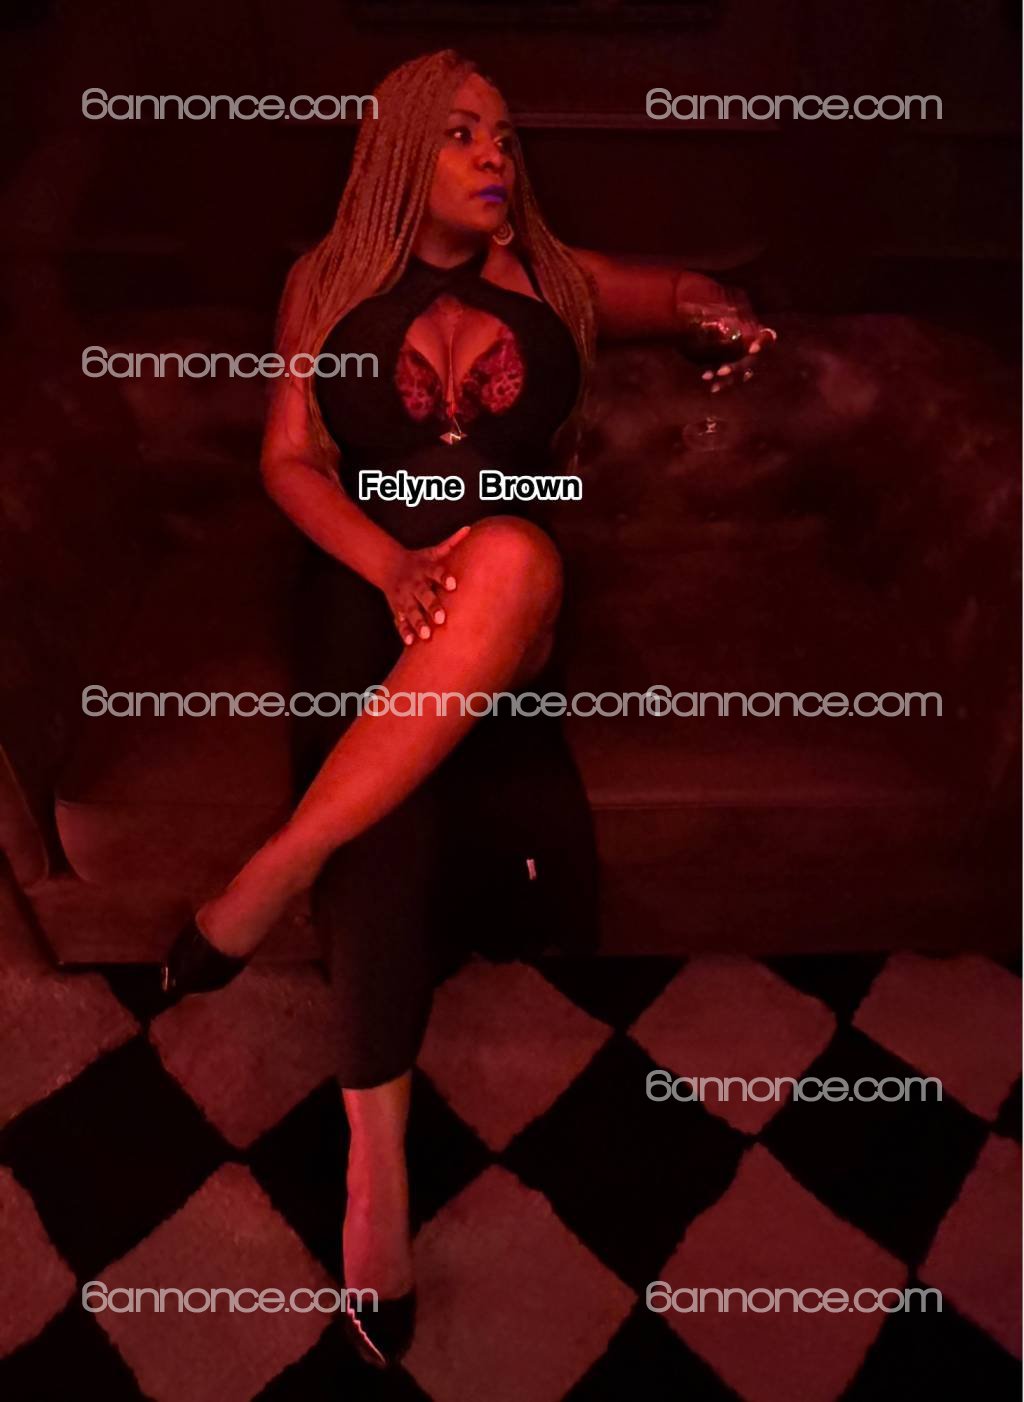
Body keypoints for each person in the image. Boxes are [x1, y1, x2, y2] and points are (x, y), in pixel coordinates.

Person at [160, 48, 766, 1368]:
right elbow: (289, 459)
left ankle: (269, 872)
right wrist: (388, 569)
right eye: (459, 133)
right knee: (393, 799)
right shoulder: (324, 281)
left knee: (515, 551)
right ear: (396, 151)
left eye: (503, 134)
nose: (494, 154)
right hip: (363, 579)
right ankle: (375, 1170)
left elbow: (677, 294)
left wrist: (719, 312)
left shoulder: (551, 274)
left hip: (505, 590)